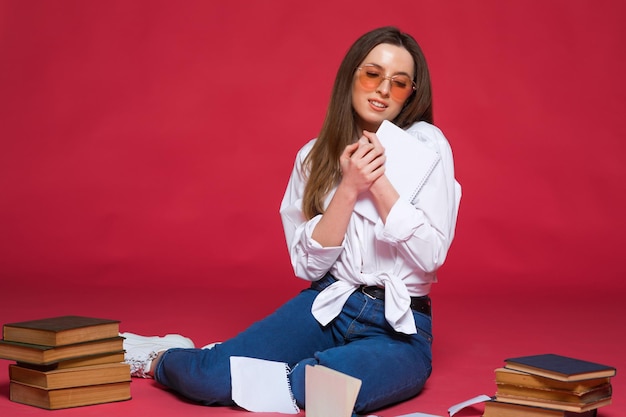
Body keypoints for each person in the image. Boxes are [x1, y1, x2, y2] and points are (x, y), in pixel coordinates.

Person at [122, 26, 461, 416]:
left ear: (411, 94)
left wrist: (377, 181)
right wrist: (348, 188)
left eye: (399, 83)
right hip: (329, 305)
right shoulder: (313, 157)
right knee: (207, 379)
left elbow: (431, 255)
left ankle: (264, 366)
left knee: (319, 387)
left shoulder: (428, 146)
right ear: (351, 75)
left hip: (399, 330)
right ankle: (164, 356)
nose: (383, 90)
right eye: (372, 74)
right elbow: (309, 266)